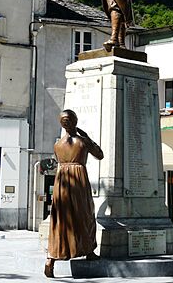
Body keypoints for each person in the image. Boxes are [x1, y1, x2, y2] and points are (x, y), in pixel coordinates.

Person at [44, 109, 104, 278]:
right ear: (75, 122)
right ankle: (89, 251)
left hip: (61, 182)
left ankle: (51, 258)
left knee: (60, 220)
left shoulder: (57, 145)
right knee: (85, 215)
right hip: (77, 181)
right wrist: (86, 137)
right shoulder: (82, 142)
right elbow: (100, 155)